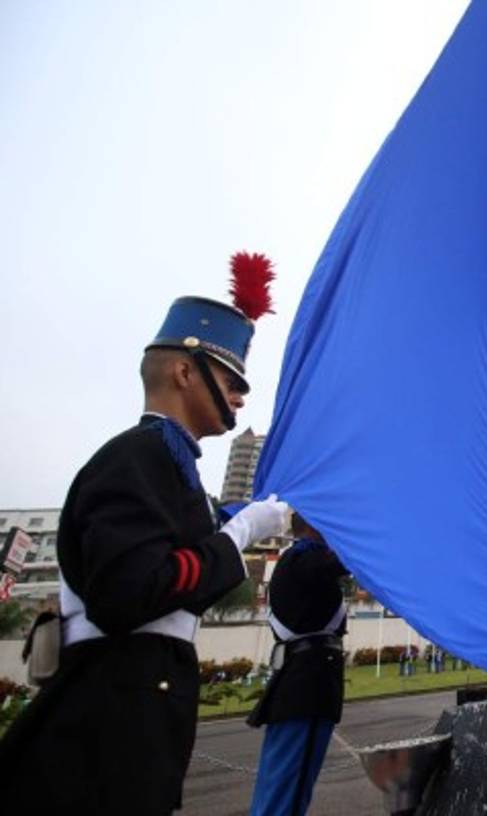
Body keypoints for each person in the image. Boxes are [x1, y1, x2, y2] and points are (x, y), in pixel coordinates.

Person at [0, 253, 288, 815]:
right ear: (185, 371)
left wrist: (248, 517)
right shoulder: (139, 457)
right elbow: (128, 592)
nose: (240, 397)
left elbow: (188, 537)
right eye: (231, 379)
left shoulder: (170, 465)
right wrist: (240, 533)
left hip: (133, 705)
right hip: (109, 711)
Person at [248, 513, 350, 816]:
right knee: (287, 795)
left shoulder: (299, 561)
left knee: (282, 787)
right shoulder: (303, 559)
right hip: (307, 685)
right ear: (313, 524)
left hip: (300, 681)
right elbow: (352, 558)